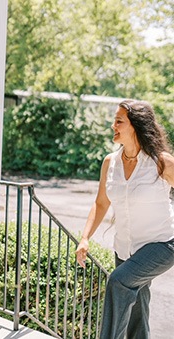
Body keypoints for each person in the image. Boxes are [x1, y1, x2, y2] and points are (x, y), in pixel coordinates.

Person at [75, 99, 174, 339]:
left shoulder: (161, 162)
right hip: (125, 249)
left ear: (136, 126)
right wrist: (85, 238)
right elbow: (101, 204)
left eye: (119, 121)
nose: (113, 126)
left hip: (162, 244)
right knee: (138, 311)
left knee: (118, 282)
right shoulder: (111, 162)